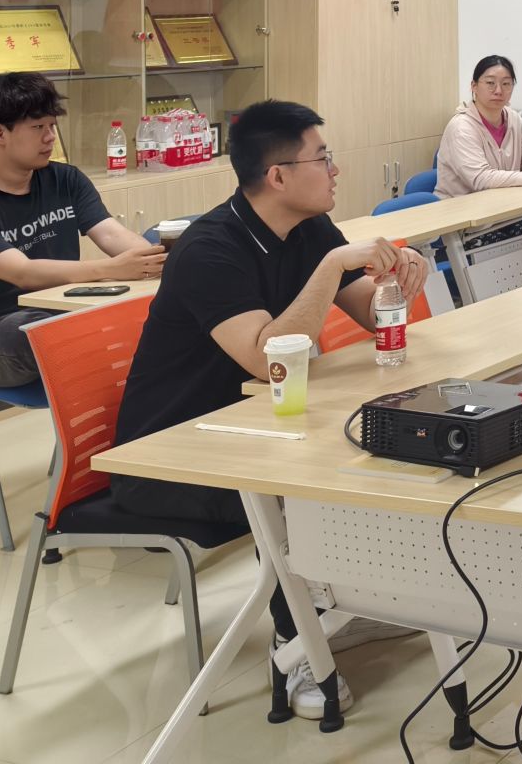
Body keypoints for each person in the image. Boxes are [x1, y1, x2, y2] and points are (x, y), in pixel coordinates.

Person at [112, 100, 430, 720]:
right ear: (278, 175)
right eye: (323, 159)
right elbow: (267, 360)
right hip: (173, 451)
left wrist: (399, 281)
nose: (335, 171)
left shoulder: (310, 226)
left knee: (378, 451)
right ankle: (300, 645)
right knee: (300, 486)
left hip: (259, 425)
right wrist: (334, 265)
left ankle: (339, 609)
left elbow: (374, 316)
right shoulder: (209, 249)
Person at [0, 74, 162, 387]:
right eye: (38, 128)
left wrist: (153, 260)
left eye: (52, 126)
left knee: (138, 314)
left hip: (66, 313)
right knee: (42, 330)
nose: (50, 138)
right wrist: (111, 269)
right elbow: (23, 273)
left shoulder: (66, 180)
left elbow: (110, 234)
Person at [437, 55, 522, 196]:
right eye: (490, 83)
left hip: (503, 202)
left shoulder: (513, 118)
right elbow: (480, 179)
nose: (498, 90)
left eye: (506, 84)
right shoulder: (461, 127)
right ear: (474, 86)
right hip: (460, 205)